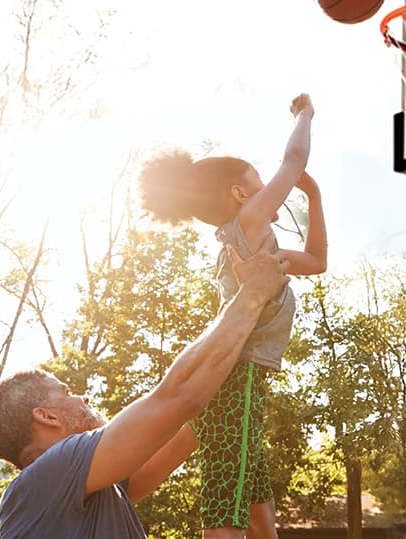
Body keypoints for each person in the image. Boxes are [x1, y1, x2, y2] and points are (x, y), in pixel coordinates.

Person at [0, 237, 291, 538]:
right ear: (47, 417)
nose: (82, 396)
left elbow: (195, 424)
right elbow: (180, 398)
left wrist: (233, 307)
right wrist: (253, 293)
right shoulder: (47, 476)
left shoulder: (96, 489)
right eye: (66, 392)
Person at [137, 92, 327, 538]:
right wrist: (305, 113)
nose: (271, 186)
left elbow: (317, 261)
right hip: (235, 379)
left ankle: (122, 487)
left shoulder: (259, 247)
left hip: (242, 380)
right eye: (261, 180)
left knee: (256, 498)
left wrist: (314, 196)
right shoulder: (248, 225)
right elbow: (295, 157)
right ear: (240, 194)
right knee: (226, 497)